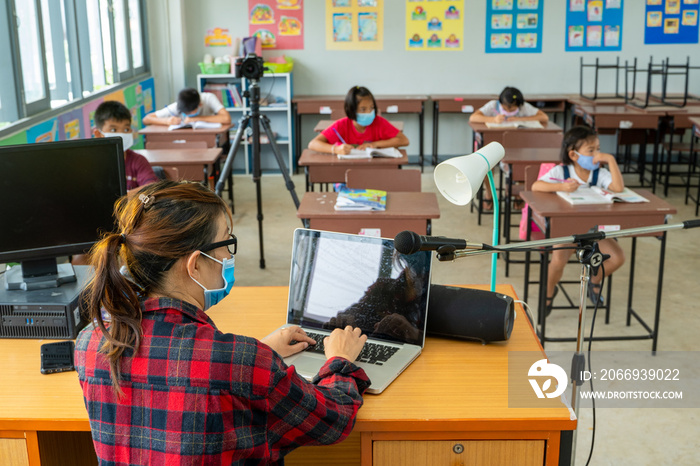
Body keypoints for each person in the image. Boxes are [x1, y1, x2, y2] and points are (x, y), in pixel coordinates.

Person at [74, 180, 370, 464]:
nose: (229, 256)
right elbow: (333, 420)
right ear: (195, 264)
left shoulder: (90, 342)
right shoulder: (242, 363)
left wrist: (261, 351)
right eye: (226, 242)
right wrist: (340, 360)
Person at [532, 125, 625, 314]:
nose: (597, 155)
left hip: (594, 229)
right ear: (574, 155)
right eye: (591, 151)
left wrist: (610, 159)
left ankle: (595, 280)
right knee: (558, 261)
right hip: (568, 228)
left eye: (598, 149)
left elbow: (618, 188)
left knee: (617, 258)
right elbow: (536, 186)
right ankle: (549, 293)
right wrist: (561, 188)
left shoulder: (600, 173)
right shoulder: (562, 171)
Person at [308, 86, 409, 155]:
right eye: (363, 109)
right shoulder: (342, 125)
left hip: (374, 173)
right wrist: (335, 149)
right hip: (345, 174)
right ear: (352, 110)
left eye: (371, 108)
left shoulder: (379, 122)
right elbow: (312, 144)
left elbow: (404, 140)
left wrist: (375, 144)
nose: (369, 112)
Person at [93, 101, 158, 192]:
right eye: (113, 129)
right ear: (98, 134)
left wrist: (122, 197)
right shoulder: (92, 163)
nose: (121, 134)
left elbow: (152, 188)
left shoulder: (138, 161)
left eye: (126, 129)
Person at [142, 87, 231, 126]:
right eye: (185, 113)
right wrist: (166, 121)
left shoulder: (208, 98)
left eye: (190, 112)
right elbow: (146, 119)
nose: (188, 115)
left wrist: (197, 119)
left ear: (200, 104)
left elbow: (226, 118)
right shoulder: (177, 106)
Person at [469, 86, 549, 126]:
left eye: (511, 110)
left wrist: (519, 119)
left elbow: (544, 117)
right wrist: (493, 119)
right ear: (500, 102)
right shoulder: (493, 105)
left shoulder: (523, 106)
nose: (507, 112)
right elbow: (473, 117)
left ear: (519, 105)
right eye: (504, 108)